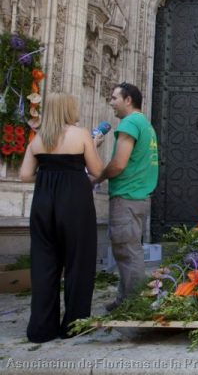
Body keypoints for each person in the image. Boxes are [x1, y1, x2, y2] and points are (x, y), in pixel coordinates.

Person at [19, 92, 103, 342]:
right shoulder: (81, 134)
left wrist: (48, 177)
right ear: (69, 109)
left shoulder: (38, 138)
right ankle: (74, 324)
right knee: (78, 261)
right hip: (75, 201)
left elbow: (24, 175)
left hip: (43, 201)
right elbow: (97, 171)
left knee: (44, 263)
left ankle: (41, 329)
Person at [93, 82, 159, 312]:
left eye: (114, 98)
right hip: (140, 195)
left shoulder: (130, 123)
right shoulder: (146, 125)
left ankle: (134, 305)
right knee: (129, 250)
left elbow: (119, 163)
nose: (111, 102)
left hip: (126, 195)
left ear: (128, 100)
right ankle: (124, 299)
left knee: (127, 251)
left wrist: (97, 178)